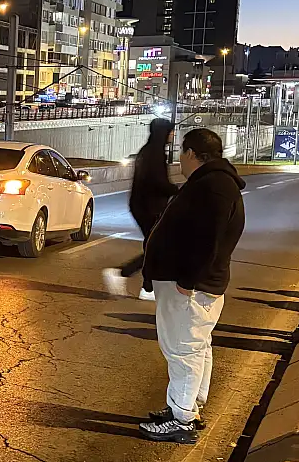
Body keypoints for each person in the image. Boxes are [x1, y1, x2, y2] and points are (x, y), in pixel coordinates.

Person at [138, 128, 245, 443]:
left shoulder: (213, 187)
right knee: (196, 348)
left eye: (182, 152)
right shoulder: (212, 183)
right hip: (193, 284)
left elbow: (205, 240)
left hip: (190, 287)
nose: (179, 159)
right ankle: (187, 407)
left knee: (183, 350)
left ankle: (182, 418)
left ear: (192, 153)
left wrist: (188, 280)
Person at [103, 118, 177, 300]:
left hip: (145, 206)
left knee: (154, 246)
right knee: (158, 247)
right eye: (171, 131)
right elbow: (156, 183)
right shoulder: (154, 154)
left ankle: (147, 287)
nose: (173, 135)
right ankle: (121, 273)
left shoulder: (151, 151)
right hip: (148, 207)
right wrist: (176, 190)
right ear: (163, 133)